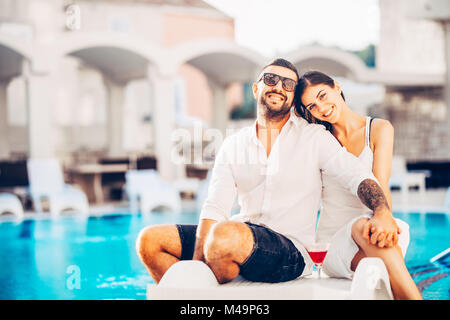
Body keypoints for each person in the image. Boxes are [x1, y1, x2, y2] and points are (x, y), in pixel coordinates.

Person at [136, 58, 394, 286]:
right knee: (149, 240)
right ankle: (197, 297)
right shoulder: (233, 143)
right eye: (271, 79)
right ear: (256, 88)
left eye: (288, 84)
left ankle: (210, 281)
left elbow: (356, 176)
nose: (279, 86)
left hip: (290, 250)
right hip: (238, 235)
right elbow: (215, 206)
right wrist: (196, 266)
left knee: (224, 236)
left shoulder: (313, 137)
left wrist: (382, 211)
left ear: (293, 99)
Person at [295, 70, 422, 300]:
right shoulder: (318, 140)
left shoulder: (379, 129)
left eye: (323, 96)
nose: (322, 108)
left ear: (337, 86)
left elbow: (380, 183)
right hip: (334, 244)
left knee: (383, 238)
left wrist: (385, 221)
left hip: (373, 229)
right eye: (312, 106)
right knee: (364, 230)